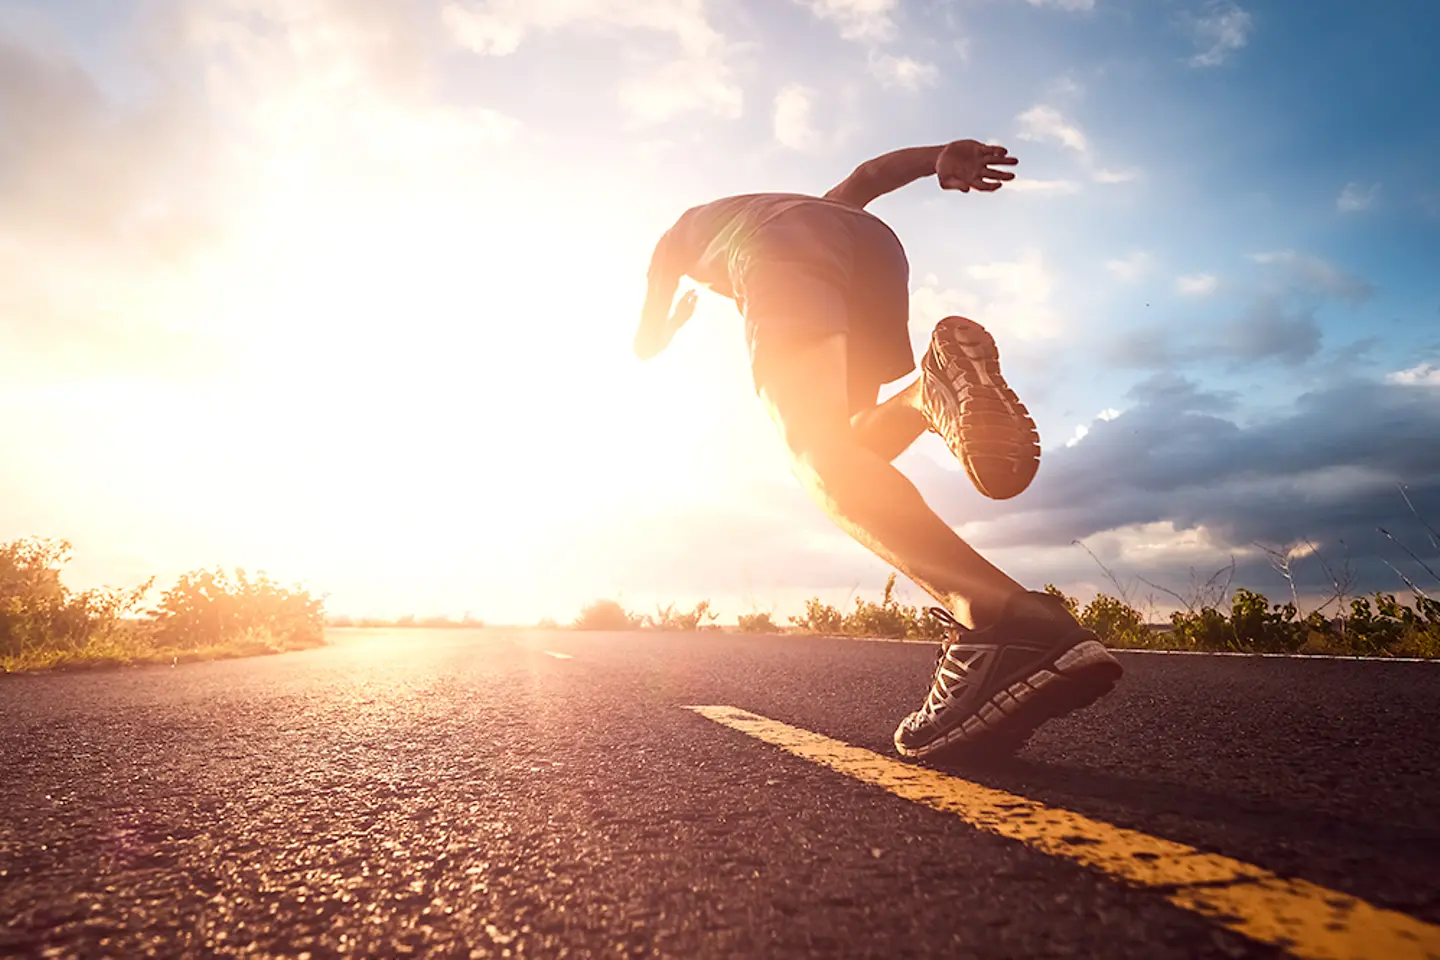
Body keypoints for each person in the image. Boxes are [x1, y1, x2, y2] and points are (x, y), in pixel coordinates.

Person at [634, 139, 1123, 760]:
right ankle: (924, 394)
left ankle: (1000, 618)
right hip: (872, 247)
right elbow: (867, 176)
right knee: (847, 446)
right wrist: (941, 155)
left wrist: (664, 328)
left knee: (814, 454)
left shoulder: (681, 234)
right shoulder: (811, 204)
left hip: (779, 252)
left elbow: (644, 339)